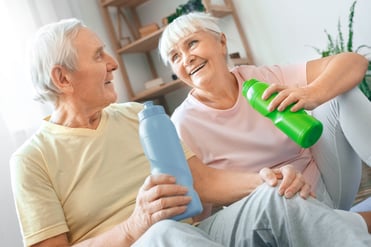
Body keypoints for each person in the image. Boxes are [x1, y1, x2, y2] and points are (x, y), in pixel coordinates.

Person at [9, 18, 371, 247]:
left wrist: (266, 180)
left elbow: (201, 181)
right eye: (99, 55)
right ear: (62, 78)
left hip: (193, 233)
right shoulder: (31, 160)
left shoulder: (137, 115)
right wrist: (136, 225)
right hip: (151, 239)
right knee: (162, 234)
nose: (113, 63)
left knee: (276, 198)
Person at [158, 11, 371, 215]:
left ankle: (346, 223)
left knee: (339, 95)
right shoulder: (183, 123)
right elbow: (200, 199)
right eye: (175, 56)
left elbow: (353, 61)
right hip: (277, 211)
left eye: (192, 43)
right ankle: (350, 224)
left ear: (221, 43)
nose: (187, 58)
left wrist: (312, 93)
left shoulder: (258, 78)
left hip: (327, 185)